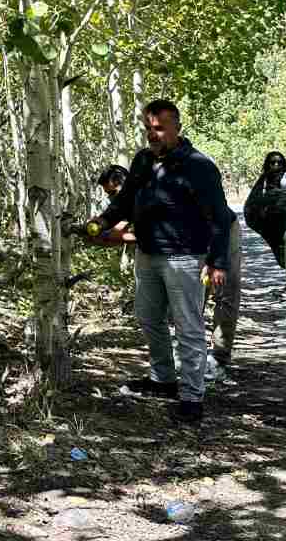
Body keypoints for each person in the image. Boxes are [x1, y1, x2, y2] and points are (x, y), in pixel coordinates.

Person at [88, 99, 235, 425]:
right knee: (148, 317)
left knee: (188, 326)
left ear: (176, 128)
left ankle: (192, 396)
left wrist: (218, 262)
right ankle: (163, 380)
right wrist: (102, 221)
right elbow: (125, 201)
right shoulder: (142, 161)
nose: (152, 135)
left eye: (159, 128)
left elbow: (220, 219)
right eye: (148, 128)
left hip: (184, 257)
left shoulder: (198, 166)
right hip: (148, 254)